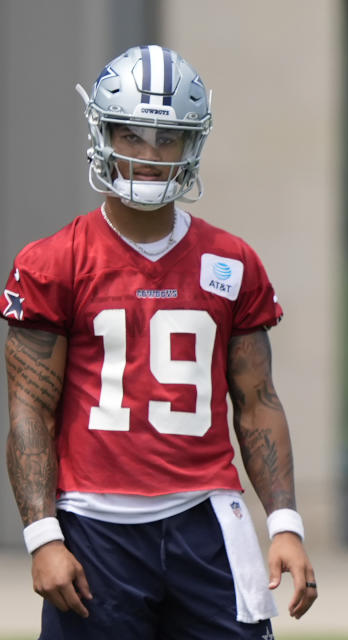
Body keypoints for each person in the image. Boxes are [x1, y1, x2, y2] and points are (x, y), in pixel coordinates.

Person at [3, 45, 316, 639]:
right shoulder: (53, 263)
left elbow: (257, 403)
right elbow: (29, 411)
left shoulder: (232, 261)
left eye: (167, 137)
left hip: (208, 519)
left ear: (192, 142)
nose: (149, 155)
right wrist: (42, 536)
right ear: (102, 134)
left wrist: (285, 523)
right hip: (95, 528)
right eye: (132, 134)